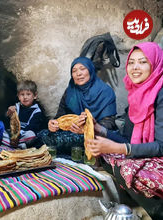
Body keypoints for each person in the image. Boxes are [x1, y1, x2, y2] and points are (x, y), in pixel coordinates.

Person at [87, 42, 163, 219]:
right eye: (131, 62)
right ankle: (134, 203)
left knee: (125, 166)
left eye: (143, 62)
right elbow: (127, 139)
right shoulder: (137, 94)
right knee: (106, 156)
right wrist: (98, 129)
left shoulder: (160, 94)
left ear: (155, 64)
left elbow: (161, 146)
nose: (135, 68)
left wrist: (119, 149)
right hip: (150, 153)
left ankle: (158, 212)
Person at [37, 57, 117, 156]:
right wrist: (53, 124)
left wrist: (86, 129)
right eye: (74, 71)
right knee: (43, 134)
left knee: (81, 139)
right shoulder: (70, 91)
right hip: (73, 133)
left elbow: (109, 123)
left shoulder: (105, 91)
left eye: (82, 69)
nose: (78, 73)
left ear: (90, 71)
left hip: (97, 134)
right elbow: (60, 117)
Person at [2, 80, 46, 148]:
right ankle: (19, 145)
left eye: (28, 94)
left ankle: (14, 143)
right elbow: (7, 119)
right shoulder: (17, 107)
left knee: (31, 135)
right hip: (15, 133)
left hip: (25, 134)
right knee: (3, 132)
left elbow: (32, 128)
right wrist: (9, 112)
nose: (25, 97)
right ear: (18, 96)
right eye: (22, 94)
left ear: (35, 96)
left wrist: (18, 135)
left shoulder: (37, 111)